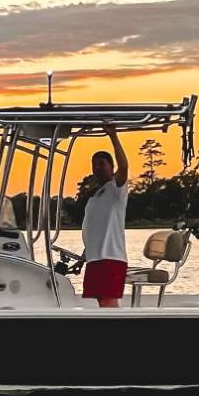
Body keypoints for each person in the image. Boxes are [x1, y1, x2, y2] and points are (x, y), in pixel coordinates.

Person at [80, 123, 130, 307]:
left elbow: (124, 166)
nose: (97, 167)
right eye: (94, 164)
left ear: (111, 167)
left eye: (101, 163)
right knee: (100, 300)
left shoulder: (116, 189)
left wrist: (113, 136)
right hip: (95, 258)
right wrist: (86, 252)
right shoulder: (95, 196)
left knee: (108, 300)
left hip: (111, 257)